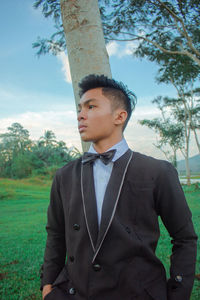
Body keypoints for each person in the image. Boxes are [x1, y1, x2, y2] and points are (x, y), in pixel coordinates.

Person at [40, 74, 197, 300]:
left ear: (119, 116)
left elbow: (185, 238)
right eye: (79, 109)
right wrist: (47, 286)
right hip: (74, 293)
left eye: (91, 106)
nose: (80, 115)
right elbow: (55, 234)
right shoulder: (64, 175)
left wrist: (178, 294)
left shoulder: (157, 172)